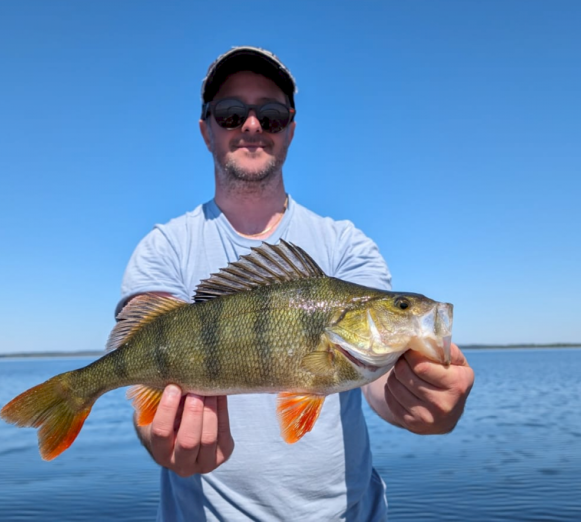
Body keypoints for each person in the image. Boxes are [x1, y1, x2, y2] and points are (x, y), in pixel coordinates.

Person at [117, 46, 475, 521]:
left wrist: (421, 400)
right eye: (229, 114)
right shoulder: (165, 246)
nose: (251, 126)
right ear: (205, 130)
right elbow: (142, 359)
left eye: (270, 114)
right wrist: (159, 434)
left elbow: (377, 377)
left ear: (290, 129)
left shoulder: (345, 245)